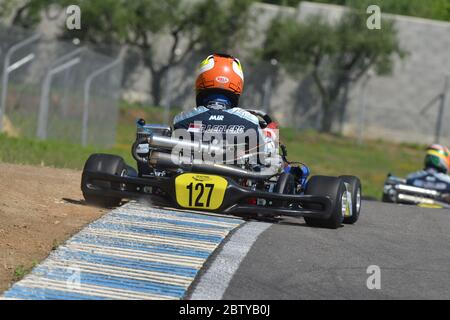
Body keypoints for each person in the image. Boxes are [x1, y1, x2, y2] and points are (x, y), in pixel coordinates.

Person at [172, 53, 310, 188]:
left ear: (200, 82)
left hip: (183, 180)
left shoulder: (182, 119)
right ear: (237, 84)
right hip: (237, 185)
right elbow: (269, 157)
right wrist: (271, 137)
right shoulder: (249, 120)